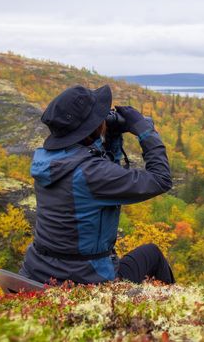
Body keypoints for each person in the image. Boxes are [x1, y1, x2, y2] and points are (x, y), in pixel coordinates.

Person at [19, 84, 175, 285]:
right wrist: (146, 132)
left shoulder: (49, 160)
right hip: (85, 280)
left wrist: (112, 138)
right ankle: (177, 308)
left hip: (38, 273)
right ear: (90, 128)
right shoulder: (92, 173)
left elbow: (100, 175)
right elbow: (161, 179)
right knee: (151, 254)